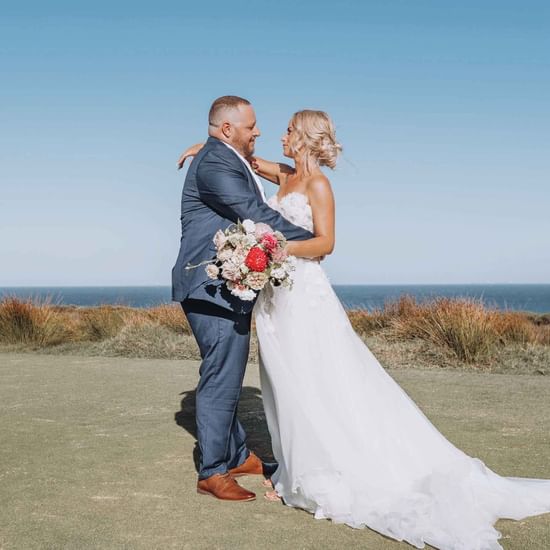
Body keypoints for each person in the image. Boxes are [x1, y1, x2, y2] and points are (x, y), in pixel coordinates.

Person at [177, 109, 550, 549]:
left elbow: (325, 244)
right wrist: (209, 148)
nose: (276, 134)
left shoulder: (317, 184)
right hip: (278, 301)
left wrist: (275, 246)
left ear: (305, 140)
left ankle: (333, 466)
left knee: (321, 378)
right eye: (273, 130)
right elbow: (242, 162)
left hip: (304, 296)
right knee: (288, 381)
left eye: (288, 130)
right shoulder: (286, 175)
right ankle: (297, 463)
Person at [171, 96, 313, 502]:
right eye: (251, 126)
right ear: (228, 129)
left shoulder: (221, 155)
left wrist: (210, 145)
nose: (259, 132)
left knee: (228, 371)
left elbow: (247, 177)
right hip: (209, 286)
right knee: (220, 374)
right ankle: (212, 471)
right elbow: (254, 212)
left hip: (225, 286)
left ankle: (235, 454)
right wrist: (315, 238)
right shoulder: (217, 163)